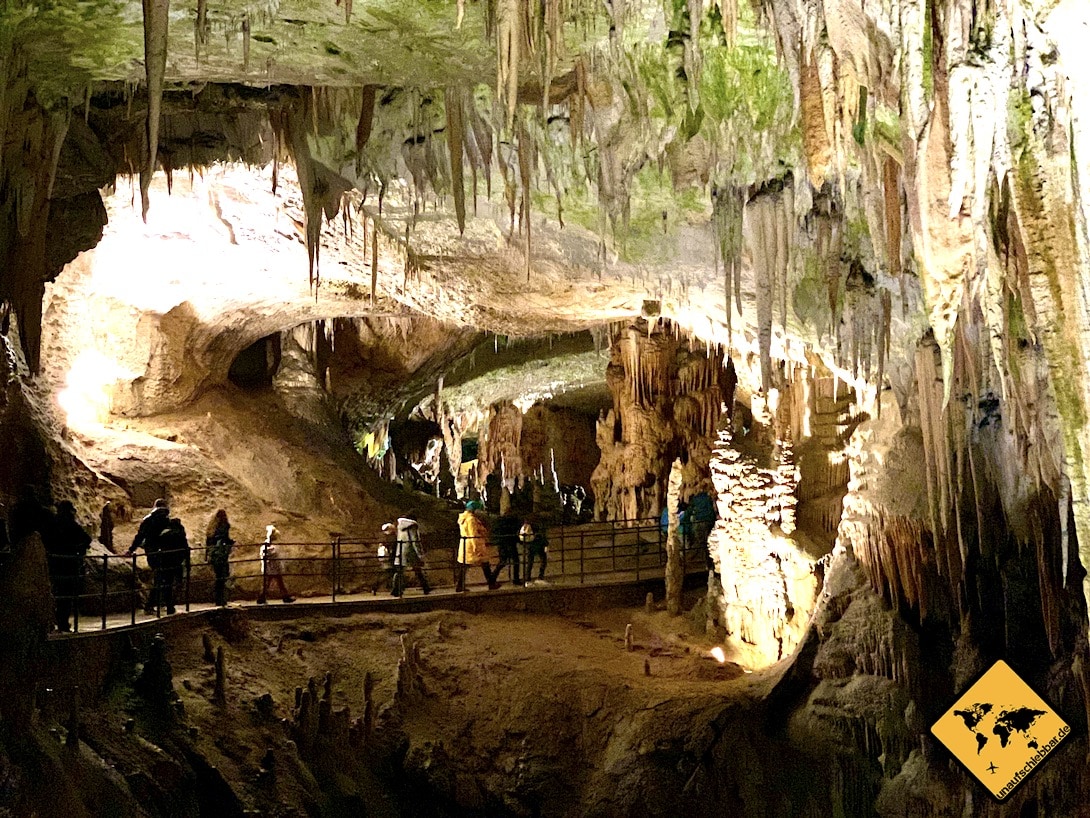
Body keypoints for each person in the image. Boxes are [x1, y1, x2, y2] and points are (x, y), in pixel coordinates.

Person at [44, 501, 91, 632]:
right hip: (69, 564)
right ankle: (62, 622)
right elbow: (86, 539)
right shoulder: (71, 524)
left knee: (54, 593)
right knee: (66, 594)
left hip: (53, 563)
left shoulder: (52, 524)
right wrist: (77, 550)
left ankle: (52, 621)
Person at [127, 498, 171, 614]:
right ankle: (159, 604)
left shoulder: (148, 519)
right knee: (163, 578)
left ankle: (153, 604)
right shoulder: (167, 520)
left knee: (158, 576)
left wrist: (132, 549)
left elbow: (140, 536)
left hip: (151, 551)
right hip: (166, 552)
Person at [457, 500, 498, 591]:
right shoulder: (471, 519)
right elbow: (473, 534)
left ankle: (459, 586)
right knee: (484, 564)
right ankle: (491, 584)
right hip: (474, 545)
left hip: (465, 545)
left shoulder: (463, 518)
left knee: (464, 566)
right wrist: (476, 548)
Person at [392, 512, 431, 596]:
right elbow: (415, 540)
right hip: (411, 551)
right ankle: (426, 588)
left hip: (401, 550)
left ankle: (395, 590)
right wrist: (420, 554)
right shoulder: (412, 526)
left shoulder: (400, 525)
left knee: (400, 571)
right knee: (418, 570)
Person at [205, 509, 235, 607]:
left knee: (218, 577)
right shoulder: (224, 526)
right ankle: (221, 599)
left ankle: (218, 599)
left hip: (214, 555)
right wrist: (231, 543)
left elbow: (208, 543)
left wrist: (207, 555)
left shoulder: (211, 528)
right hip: (221, 555)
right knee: (223, 576)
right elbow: (225, 539)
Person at [259, 525, 294, 604]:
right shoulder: (270, 546)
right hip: (272, 567)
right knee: (274, 583)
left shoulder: (267, 545)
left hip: (271, 567)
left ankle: (262, 598)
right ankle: (285, 597)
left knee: (269, 583)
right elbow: (269, 554)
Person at [493, 511, 523, 586]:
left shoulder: (499, 521)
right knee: (516, 561)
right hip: (510, 544)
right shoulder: (513, 522)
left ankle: (492, 577)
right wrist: (520, 541)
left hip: (501, 544)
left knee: (502, 562)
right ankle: (516, 579)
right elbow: (514, 534)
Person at [688, 491, 716, 570]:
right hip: (707, 521)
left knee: (701, 541)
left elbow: (691, 509)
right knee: (708, 542)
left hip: (698, 521)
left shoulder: (696, 499)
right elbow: (710, 509)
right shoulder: (707, 498)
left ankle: (701, 559)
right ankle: (709, 563)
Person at [519, 519, 549, 585]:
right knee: (543, 560)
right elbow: (542, 535)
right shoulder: (538, 525)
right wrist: (546, 544)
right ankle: (540, 576)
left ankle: (527, 577)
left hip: (531, 545)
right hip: (539, 544)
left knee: (530, 561)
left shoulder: (525, 525)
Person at [372, 523, 398, 594]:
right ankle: (377, 587)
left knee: (388, 573)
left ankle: (376, 587)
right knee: (390, 573)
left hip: (385, 558)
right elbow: (393, 548)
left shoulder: (384, 537)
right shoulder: (392, 537)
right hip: (390, 558)